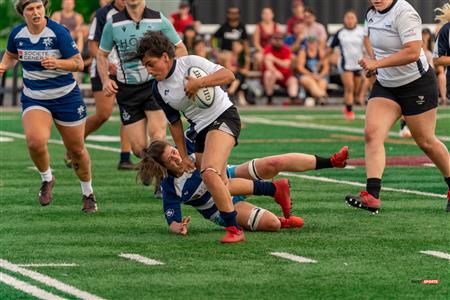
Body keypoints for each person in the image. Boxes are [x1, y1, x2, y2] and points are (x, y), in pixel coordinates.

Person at [135, 30, 245, 243]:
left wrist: (200, 83)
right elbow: (175, 124)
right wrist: (184, 156)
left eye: (151, 63)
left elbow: (229, 75)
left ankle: (234, 229)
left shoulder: (190, 63)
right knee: (218, 179)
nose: (148, 70)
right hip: (201, 130)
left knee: (209, 172)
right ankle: (272, 189)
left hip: (223, 115)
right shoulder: (158, 89)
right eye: (145, 66)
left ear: (165, 57)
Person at [346, 0, 450, 213]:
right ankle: (372, 195)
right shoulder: (372, 14)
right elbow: (381, 51)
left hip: (417, 84)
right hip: (387, 85)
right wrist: (373, 67)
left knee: (426, 142)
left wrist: (377, 64)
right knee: (372, 133)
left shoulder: (404, 12)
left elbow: (413, 52)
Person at [1, 0, 97, 212]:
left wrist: (58, 63)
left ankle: (88, 193)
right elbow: (10, 55)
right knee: (35, 141)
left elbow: (79, 63)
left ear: (44, 8)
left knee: (76, 150)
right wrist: (3, 66)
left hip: (66, 97)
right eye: (30, 9)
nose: (36, 12)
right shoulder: (17, 34)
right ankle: (47, 178)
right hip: (35, 97)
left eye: (39, 7)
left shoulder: (58, 32)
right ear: (22, 13)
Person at [137, 139, 349, 235]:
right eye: (171, 160)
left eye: (174, 152)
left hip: (230, 176)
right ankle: (279, 208)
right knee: (272, 224)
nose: (176, 157)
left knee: (272, 163)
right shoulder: (171, 187)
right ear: (164, 167)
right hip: (221, 209)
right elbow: (172, 221)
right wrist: (179, 227)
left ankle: (331, 161)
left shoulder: (188, 145)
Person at [97, 0, 188, 197]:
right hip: (127, 92)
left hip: (153, 86)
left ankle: (164, 182)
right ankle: (154, 166)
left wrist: (173, 76)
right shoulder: (113, 23)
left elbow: (180, 48)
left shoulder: (158, 19)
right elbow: (101, 54)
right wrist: (105, 80)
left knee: (158, 135)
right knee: (139, 148)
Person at [87, 0, 134, 170]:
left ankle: (125, 157)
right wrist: (106, 63)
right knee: (103, 114)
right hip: (102, 71)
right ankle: (74, 143)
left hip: (127, 71)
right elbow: (92, 45)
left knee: (129, 113)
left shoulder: (136, 13)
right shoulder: (103, 14)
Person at [328, 10, 365, 120]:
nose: (349, 20)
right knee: (349, 87)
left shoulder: (362, 31)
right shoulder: (340, 33)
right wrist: (323, 60)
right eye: (347, 18)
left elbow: (368, 46)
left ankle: (347, 105)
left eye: (352, 18)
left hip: (358, 65)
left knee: (355, 91)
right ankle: (349, 111)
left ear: (356, 19)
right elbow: (330, 48)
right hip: (345, 65)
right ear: (344, 20)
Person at [262, 32, 299, 105]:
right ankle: (269, 98)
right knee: (268, 74)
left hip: (285, 75)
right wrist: (275, 72)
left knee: (293, 80)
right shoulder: (268, 49)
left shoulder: (286, 49)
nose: (278, 41)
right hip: (274, 74)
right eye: (276, 39)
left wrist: (274, 59)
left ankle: (293, 99)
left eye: (280, 39)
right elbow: (268, 64)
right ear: (272, 40)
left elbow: (286, 64)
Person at [296, 35, 329, 103]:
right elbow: (300, 68)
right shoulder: (303, 52)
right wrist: (311, 75)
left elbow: (326, 68)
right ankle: (322, 96)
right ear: (307, 43)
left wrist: (320, 76)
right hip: (307, 75)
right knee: (310, 82)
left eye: (313, 42)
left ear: (316, 43)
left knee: (322, 83)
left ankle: (317, 99)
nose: (311, 44)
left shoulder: (321, 52)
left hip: (319, 76)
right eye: (310, 42)